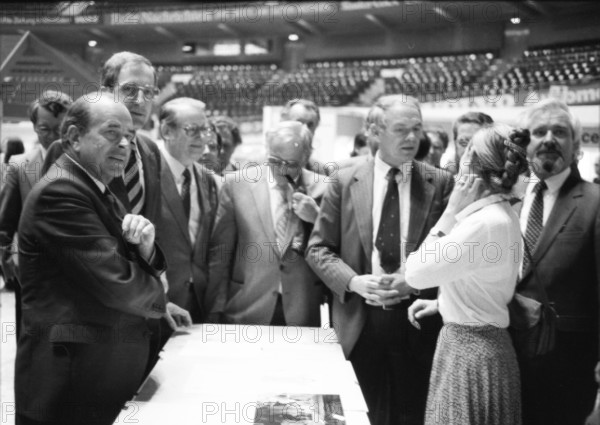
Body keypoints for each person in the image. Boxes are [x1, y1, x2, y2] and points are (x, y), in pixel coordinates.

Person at [14, 92, 167, 425]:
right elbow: (118, 286)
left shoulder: (93, 184)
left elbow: (123, 262)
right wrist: (160, 290)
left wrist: (146, 251)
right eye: (112, 133)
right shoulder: (61, 192)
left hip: (94, 377)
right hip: (71, 387)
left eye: (129, 137)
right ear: (73, 136)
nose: (125, 145)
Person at [306, 95, 454, 425]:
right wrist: (354, 281)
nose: (412, 138)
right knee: (360, 415)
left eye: (417, 129)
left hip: (417, 322)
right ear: (374, 131)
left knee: (413, 414)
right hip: (360, 321)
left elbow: (449, 252)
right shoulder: (344, 180)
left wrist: (414, 280)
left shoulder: (438, 181)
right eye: (401, 129)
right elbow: (318, 249)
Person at [405, 124, 530, 425]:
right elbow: (487, 282)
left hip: (470, 353)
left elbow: (414, 274)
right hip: (480, 348)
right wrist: (443, 303)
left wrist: (449, 212)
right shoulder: (500, 215)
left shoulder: (484, 223)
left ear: (473, 167)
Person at [514, 98, 600, 425]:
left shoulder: (594, 202)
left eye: (559, 132)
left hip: (567, 365)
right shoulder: (511, 199)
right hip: (508, 356)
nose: (549, 139)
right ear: (526, 144)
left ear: (575, 146)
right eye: (539, 131)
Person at [207, 121, 325, 326]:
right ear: (267, 150)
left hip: (301, 309)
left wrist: (316, 219)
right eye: (275, 161)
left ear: (306, 157)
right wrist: (215, 308)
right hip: (246, 306)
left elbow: (337, 251)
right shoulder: (236, 184)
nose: (282, 170)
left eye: (291, 164)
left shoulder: (324, 189)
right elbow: (221, 253)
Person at [0, 90, 72, 339]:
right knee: (30, 339)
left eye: (60, 129)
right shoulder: (19, 166)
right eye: (45, 129)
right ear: (34, 127)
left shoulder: (85, 165)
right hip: (30, 273)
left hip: (77, 272)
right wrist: (7, 259)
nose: (53, 137)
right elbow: (5, 222)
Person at [156, 98, 219, 325]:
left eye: (205, 130)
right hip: (156, 305)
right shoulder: (145, 172)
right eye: (192, 130)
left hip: (198, 303)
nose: (203, 138)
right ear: (166, 131)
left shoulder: (207, 178)